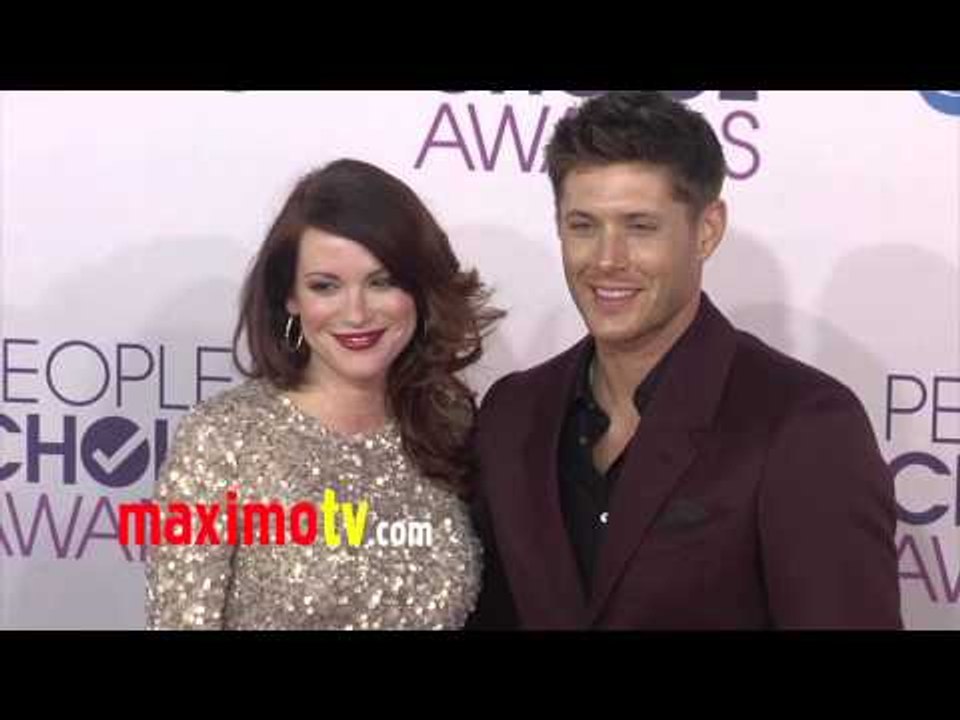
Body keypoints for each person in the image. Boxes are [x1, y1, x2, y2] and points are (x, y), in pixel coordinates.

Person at [468, 91, 902, 629]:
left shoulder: (803, 425)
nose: (607, 260)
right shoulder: (513, 413)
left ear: (707, 230)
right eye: (584, 226)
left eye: (640, 226)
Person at [144, 158, 503, 629]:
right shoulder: (222, 440)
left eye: (382, 281)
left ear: (418, 289)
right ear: (290, 297)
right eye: (325, 286)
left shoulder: (452, 425)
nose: (356, 313)